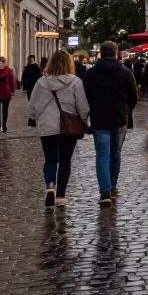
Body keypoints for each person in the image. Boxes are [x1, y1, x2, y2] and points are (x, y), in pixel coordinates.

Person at [26, 51, 90, 208]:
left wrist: (33, 117)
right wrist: (85, 121)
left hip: (47, 126)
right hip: (68, 127)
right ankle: (60, 195)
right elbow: (82, 106)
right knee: (65, 160)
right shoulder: (76, 82)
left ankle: (50, 186)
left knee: (50, 159)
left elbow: (32, 104)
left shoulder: (41, 82)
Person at [83, 42, 138, 206]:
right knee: (116, 153)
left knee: (102, 155)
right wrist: (127, 110)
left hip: (99, 119)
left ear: (100, 53)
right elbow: (133, 95)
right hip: (119, 118)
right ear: (116, 54)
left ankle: (105, 191)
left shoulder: (91, 74)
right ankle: (113, 186)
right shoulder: (125, 72)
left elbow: (84, 96)